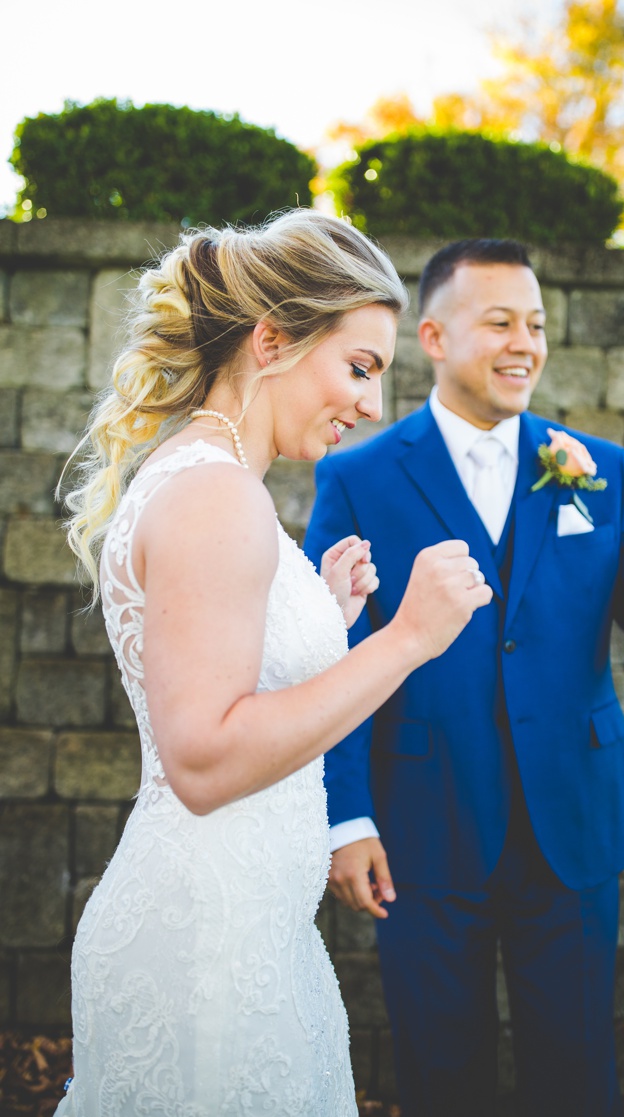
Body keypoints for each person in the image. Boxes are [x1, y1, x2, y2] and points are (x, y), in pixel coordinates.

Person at [54, 211, 491, 1115]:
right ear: (272, 339)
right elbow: (207, 758)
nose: (373, 405)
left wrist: (319, 617)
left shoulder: (211, 479)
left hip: (243, 938)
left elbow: (222, 678)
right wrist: (404, 638)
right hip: (209, 958)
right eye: (361, 367)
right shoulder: (218, 494)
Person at [302, 238, 624, 1116]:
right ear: (432, 335)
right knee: (439, 1073)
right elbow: (333, 646)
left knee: (577, 1074)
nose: (524, 344)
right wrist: (343, 814)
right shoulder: (355, 476)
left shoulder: (597, 470)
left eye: (536, 325)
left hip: (573, 825)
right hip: (421, 830)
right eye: (499, 321)